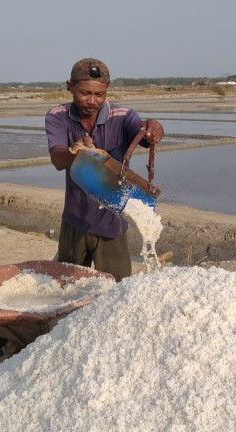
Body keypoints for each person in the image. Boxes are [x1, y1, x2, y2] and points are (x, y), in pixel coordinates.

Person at [45, 58, 164, 281]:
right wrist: (81, 154)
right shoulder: (57, 116)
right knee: (67, 287)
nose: (92, 101)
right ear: (70, 87)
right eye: (84, 93)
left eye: (99, 95)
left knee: (116, 289)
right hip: (75, 219)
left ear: (107, 90)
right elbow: (58, 159)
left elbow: (145, 134)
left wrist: (154, 128)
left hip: (112, 221)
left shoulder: (123, 117)